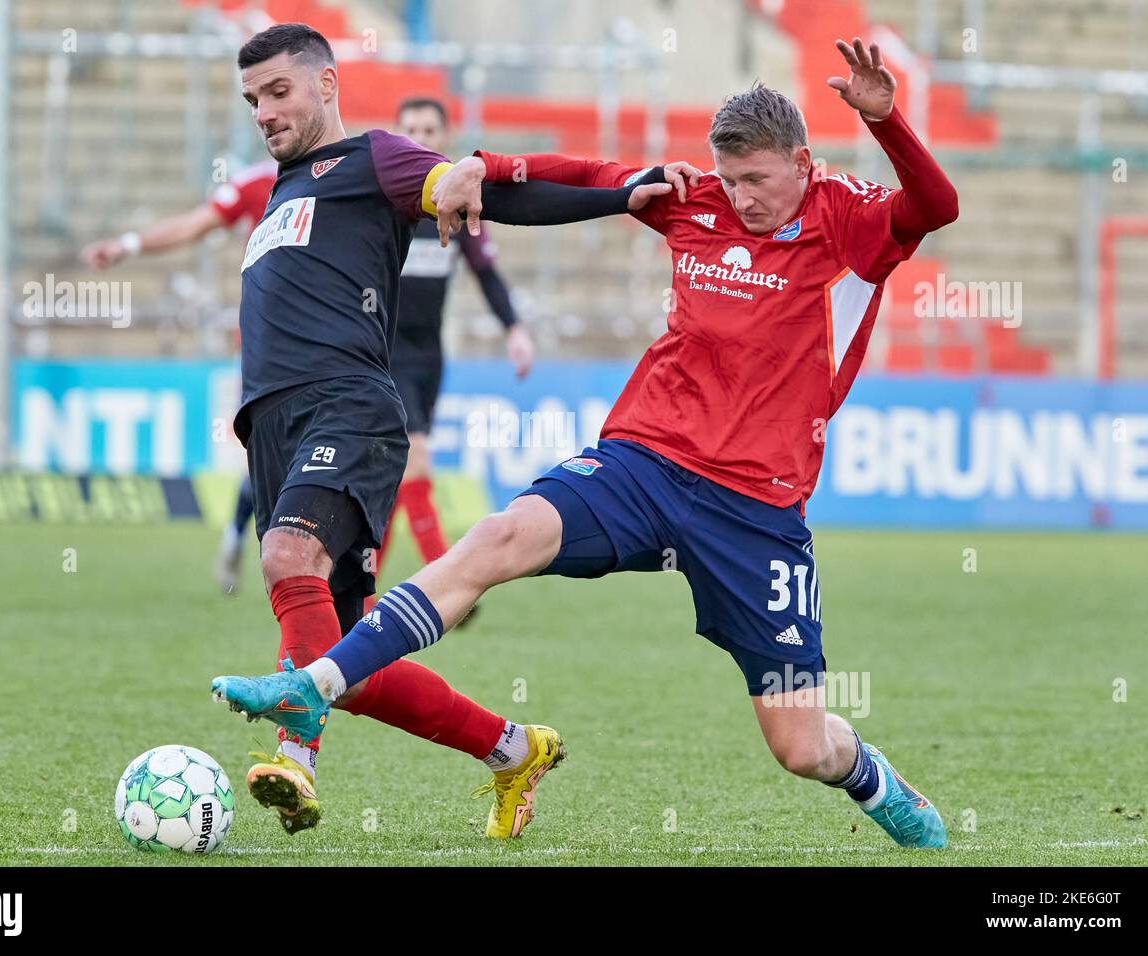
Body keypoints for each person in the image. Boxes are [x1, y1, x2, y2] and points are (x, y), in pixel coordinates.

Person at [212, 38, 959, 849]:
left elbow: (936, 206)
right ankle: (313, 688)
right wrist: (480, 167)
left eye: (757, 180)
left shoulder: (850, 220)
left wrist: (888, 125)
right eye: (730, 178)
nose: (739, 197)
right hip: (642, 461)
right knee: (498, 537)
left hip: (757, 506)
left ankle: (876, 780)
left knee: (802, 747)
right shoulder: (694, 197)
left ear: (803, 164)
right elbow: (584, 174)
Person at [210, 22, 675, 838]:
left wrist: (618, 190)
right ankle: (510, 748)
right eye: (253, 99)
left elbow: (485, 185)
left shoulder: (372, 160)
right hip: (278, 429)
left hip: (348, 407)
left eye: (279, 91)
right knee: (344, 662)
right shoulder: (282, 193)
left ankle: (296, 760)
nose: (265, 111)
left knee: (288, 558)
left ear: (325, 84)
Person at [80, 162, 277, 596]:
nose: (271, 116)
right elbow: (195, 224)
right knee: (269, 456)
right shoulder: (256, 182)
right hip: (269, 345)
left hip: (336, 346)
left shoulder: (345, 166)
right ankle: (241, 535)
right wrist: (128, 244)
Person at [367, 97, 534, 611]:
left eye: (429, 129)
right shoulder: (381, 202)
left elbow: (486, 272)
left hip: (428, 358)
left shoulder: (459, 205)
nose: (420, 137)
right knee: (416, 462)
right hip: (381, 354)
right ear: (397, 133)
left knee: (400, 476)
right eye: (410, 128)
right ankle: (449, 584)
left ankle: (364, 596)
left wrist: (514, 328)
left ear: (446, 137)